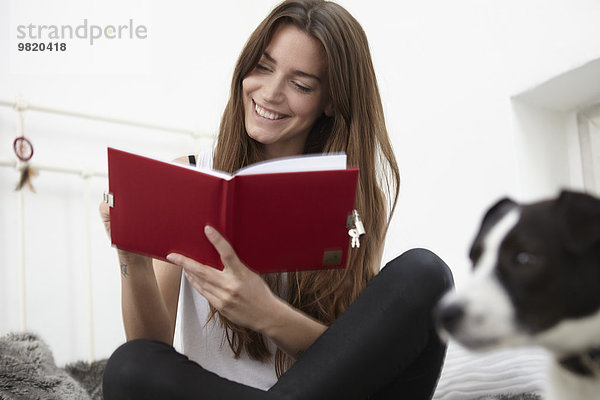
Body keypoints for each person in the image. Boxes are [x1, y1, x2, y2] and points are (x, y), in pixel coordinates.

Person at [100, 0, 454, 399]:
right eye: (263, 67)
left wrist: (265, 312)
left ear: (332, 100)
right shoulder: (189, 175)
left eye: (301, 85)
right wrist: (131, 258)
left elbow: (355, 362)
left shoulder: (354, 205)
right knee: (130, 365)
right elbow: (153, 346)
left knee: (426, 273)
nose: (269, 93)